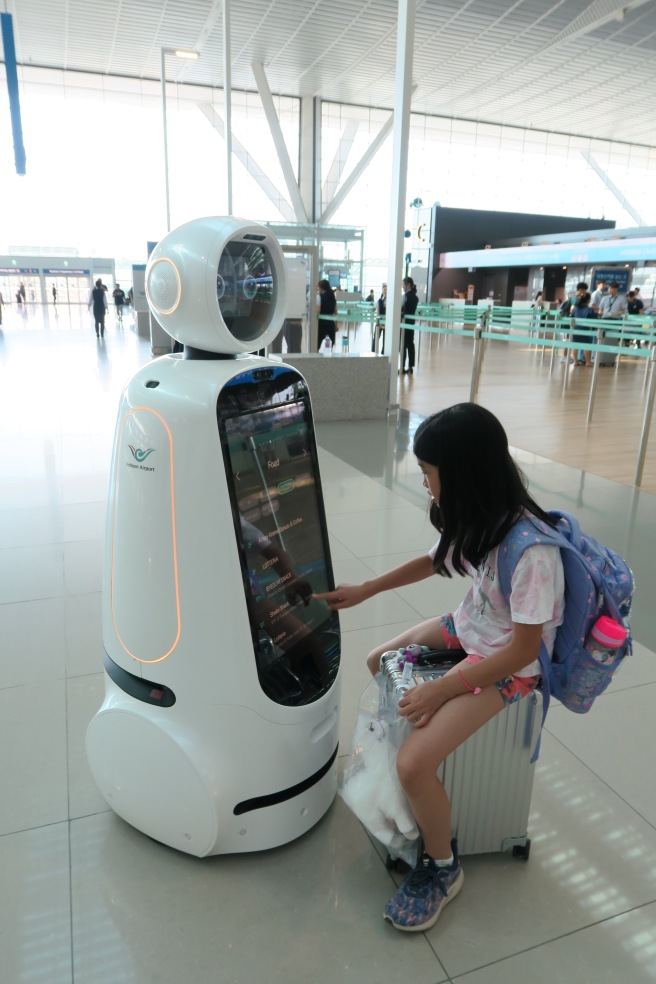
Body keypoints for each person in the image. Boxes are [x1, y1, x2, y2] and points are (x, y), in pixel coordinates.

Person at [315, 403, 565, 932]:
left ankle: (442, 866)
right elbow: (435, 559)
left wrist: (443, 690)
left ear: (463, 474)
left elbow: (521, 653)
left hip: (503, 665)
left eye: (429, 474)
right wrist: (367, 589)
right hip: (470, 626)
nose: (425, 483)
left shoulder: (533, 553)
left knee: (413, 764)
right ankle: (400, 790)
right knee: (378, 661)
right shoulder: (482, 517)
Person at [598, 281, 627, 365]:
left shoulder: (622, 298)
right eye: (609, 288)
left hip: (615, 320)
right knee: (602, 339)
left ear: (616, 289)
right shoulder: (605, 298)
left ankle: (610, 359)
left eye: (612, 288)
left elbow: (623, 310)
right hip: (604, 319)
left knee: (612, 340)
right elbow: (601, 308)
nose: (610, 290)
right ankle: (601, 358)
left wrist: (617, 313)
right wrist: (600, 313)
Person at [571, 291, 597, 366]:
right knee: (587, 346)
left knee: (575, 345)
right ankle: (588, 362)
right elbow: (594, 320)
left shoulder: (575, 308)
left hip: (576, 329)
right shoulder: (590, 310)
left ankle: (575, 361)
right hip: (586, 330)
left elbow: (572, 317)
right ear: (588, 300)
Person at [401, 275, 418, 374]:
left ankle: (402, 366)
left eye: (403, 285)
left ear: (408, 285)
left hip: (404, 324)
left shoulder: (405, 296)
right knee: (410, 344)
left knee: (403, 345)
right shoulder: (415, 297)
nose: (402, 287)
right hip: (411, 324)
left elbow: (400, 308)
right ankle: (410, 366)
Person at [316, 279, 337, 349]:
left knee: (316, 347)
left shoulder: (319, 297)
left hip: (321, 325)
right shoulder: (333, 298)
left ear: (321, 288)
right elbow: (336, 312)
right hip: (331, 324)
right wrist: (336, 325)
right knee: (329, 348)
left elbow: (318, 310)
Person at [373, 283, 387, 353]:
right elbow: (378, 312)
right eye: (384, 290)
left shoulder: (390, 301)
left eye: (386, 290)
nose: (385, 291)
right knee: (376, 337)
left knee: (386, 339)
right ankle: (373, 351)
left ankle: (383, 353)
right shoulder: (379, 301)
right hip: (380, 321)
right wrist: (380, 322)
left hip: (387, 322)